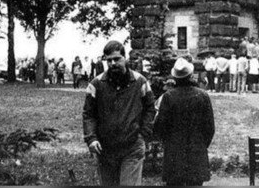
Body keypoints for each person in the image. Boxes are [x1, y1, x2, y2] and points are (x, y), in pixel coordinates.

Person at [83, 41, 156, 186]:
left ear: (125, 58)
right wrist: (91, 139)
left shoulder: (139, 81)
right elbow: (88, 114)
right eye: (109, 60)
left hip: (132, 147)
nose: (112, 63)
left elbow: (150, 108)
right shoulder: (96, 84)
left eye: (117, 59)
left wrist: (143, 134)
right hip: (106, 149)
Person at [153, 58, 215, 186]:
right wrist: (201, 144)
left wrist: (167, 142)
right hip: (196, 152)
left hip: (174, 154)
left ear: (175, 78)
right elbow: (209, 128)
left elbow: (160, 126)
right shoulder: (202, 96)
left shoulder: (169, 97)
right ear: (190, 76)